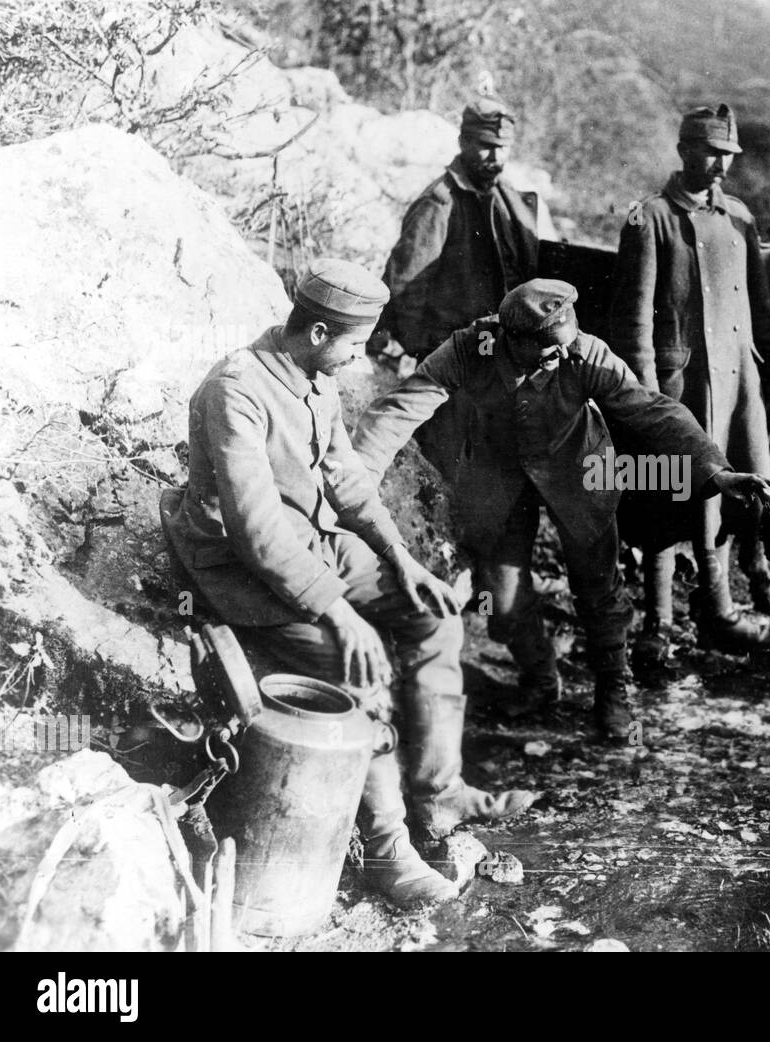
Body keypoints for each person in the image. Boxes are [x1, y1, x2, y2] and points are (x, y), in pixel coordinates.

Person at [163, 259, 537, 906]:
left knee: (436, 615)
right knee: (351, 661)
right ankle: (389, 850)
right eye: (354, 346)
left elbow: (345, 480)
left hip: (311, 545)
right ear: (314, 333)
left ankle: (437, 790)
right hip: (240, 566)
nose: (359, 361)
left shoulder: (315, 377)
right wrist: (340, 613)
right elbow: (255, 531)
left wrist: (401, 559)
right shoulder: (237, 390)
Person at [352, 279, 770, 741]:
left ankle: (614, 688)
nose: (559, 357)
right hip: (499, 476)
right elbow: (399, 409)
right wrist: (357, 478)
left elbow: (655, 412)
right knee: (503, 596)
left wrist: (716, 472)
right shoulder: (471, 347)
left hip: (579, 470)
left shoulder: (584, 352)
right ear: (514, 337)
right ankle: (539, 677)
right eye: (548, 351)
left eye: (564, 347)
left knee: (599, 588)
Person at [609, 103, 770, 665]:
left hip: (739, 380)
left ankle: (717, 606)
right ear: (683, 151)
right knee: (671, 492)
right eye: (709, 152)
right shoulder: (649, 219)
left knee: (737, 488)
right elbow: (635, 322)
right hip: (682, 385)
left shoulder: (740, 219)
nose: (719, 165)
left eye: (727, 155)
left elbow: (764, 314)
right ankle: (658, 623)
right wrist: (647, 401)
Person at [372, 97, 557, 480]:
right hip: (456, 359)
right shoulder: (439, 203)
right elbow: (405, 284)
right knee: (451, 467)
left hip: (503, 358)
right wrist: (426, 348)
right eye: (486, 146)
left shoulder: (509, 200)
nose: (495, 156)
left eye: (502, 147)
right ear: (463, 142)